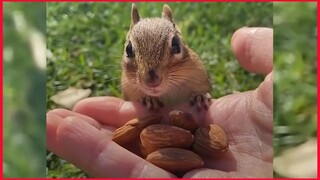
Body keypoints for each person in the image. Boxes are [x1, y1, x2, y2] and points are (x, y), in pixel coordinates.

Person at [47, 27, 273, 178]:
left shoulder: (190, 64)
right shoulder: (131, 74)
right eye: (130, 52)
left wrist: (199, 94)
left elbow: (202, 81)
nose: (151, 78)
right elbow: (130, 93)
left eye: (174, 48)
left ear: (179, 44)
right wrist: (142, 98)